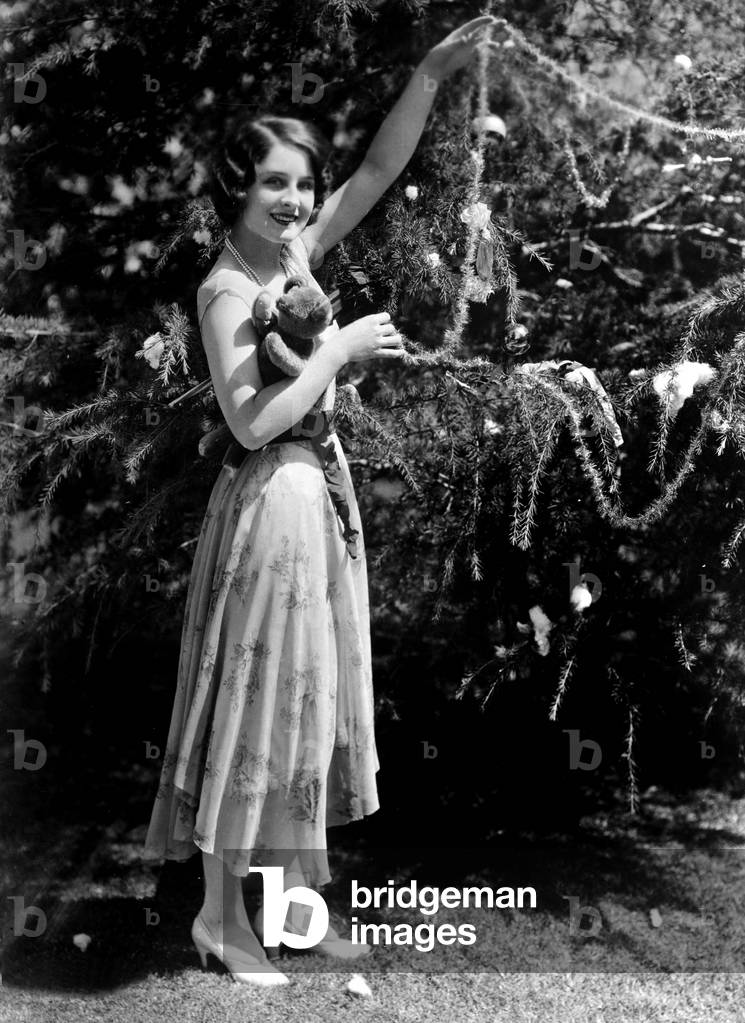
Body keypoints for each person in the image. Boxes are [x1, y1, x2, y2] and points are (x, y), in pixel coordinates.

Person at [143, 14, 500, 986]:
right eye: (274, 183)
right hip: (267, 509)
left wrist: (429, 75)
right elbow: (253, 423)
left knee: (304, 711)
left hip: (318, 508)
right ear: (236, 186)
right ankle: (221, 922)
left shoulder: (293, 259)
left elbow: (378, 175)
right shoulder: (226, 290)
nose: (296, 201)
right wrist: (338, 353)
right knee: (254, 712)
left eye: (302, 183)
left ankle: (290, 912)